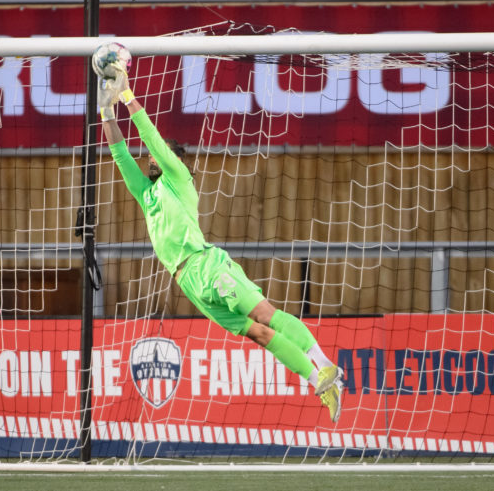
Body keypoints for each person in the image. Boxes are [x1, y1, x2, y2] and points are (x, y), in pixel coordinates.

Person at [97, 61, 344, 422]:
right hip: (187, 282)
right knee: (257, 333)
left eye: (160, 153)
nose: (151, 156)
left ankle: (324, 364)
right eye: (151, 155)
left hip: (207, 265)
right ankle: (319, 382)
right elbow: (120, 154)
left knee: (265, 314)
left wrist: (126, 93)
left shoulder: (179, 179)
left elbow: (149, 136)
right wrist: (106, 109)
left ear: (175, 159)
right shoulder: (146, 193)